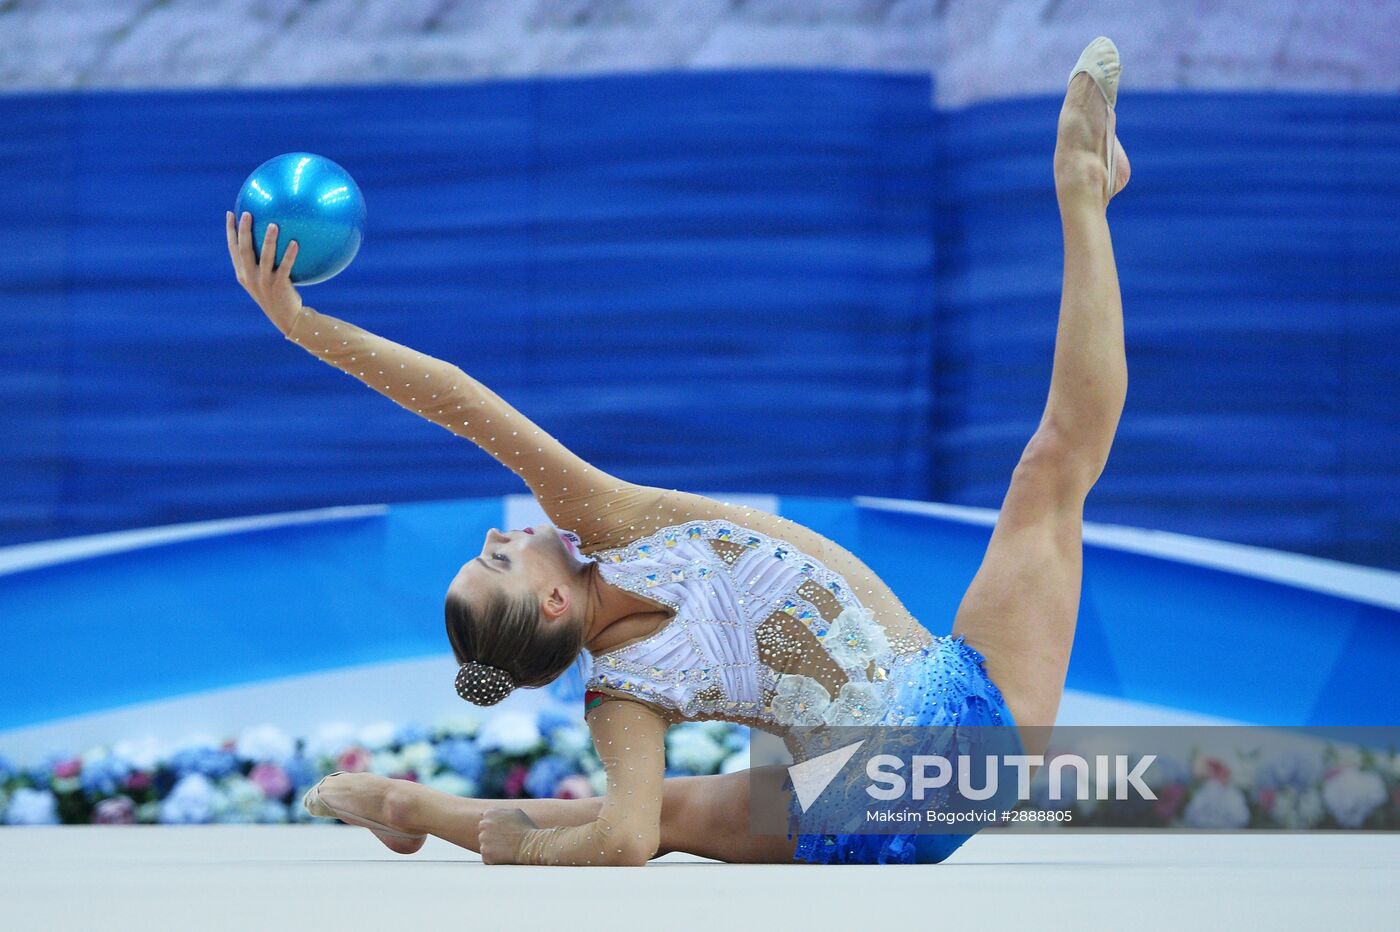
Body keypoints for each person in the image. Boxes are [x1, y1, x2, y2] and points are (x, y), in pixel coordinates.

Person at [225, 36, 1130, 865]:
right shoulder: (619, 691)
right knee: (1049, 472)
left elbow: (461, 403)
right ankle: (1079, 187)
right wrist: (532, 856)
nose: (503, 536)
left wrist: (306, 330)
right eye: (496, 558)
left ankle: (410, 810)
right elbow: (621, 841)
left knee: (686, 811)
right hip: (922, 772)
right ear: (547, 599)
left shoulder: (608, 527)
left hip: (920, 722)